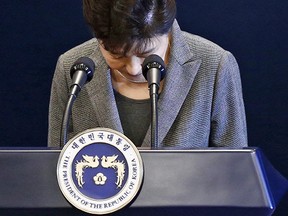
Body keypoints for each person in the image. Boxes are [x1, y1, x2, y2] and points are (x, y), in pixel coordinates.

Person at [48, 0, 248, 148]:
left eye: (145, 54)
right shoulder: (71, 68)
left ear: (167, 30)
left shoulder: (215, 65)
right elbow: (55, 166)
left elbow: (235, 172)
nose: (133, 68)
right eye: (116, 55)